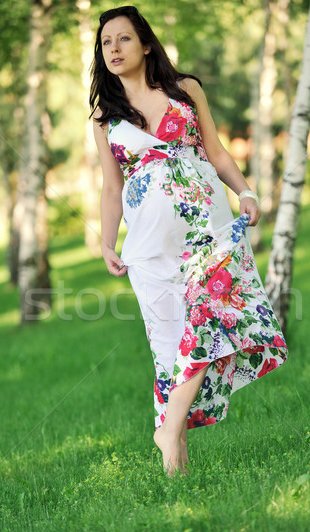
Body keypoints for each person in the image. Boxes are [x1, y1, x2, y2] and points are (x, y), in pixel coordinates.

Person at [90, 5, 288, 476]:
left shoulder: (185, 89)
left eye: (122, 39)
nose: (113, 49)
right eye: (105, 43)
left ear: (144, 43)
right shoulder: (105, 117)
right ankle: (174, 461)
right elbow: (111, 187)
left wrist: (245, 191)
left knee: (211, 321)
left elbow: (216, 152)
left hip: (208, 231)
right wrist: (105, 242)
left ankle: (168, 427)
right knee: (170, 344)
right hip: (148, 245)